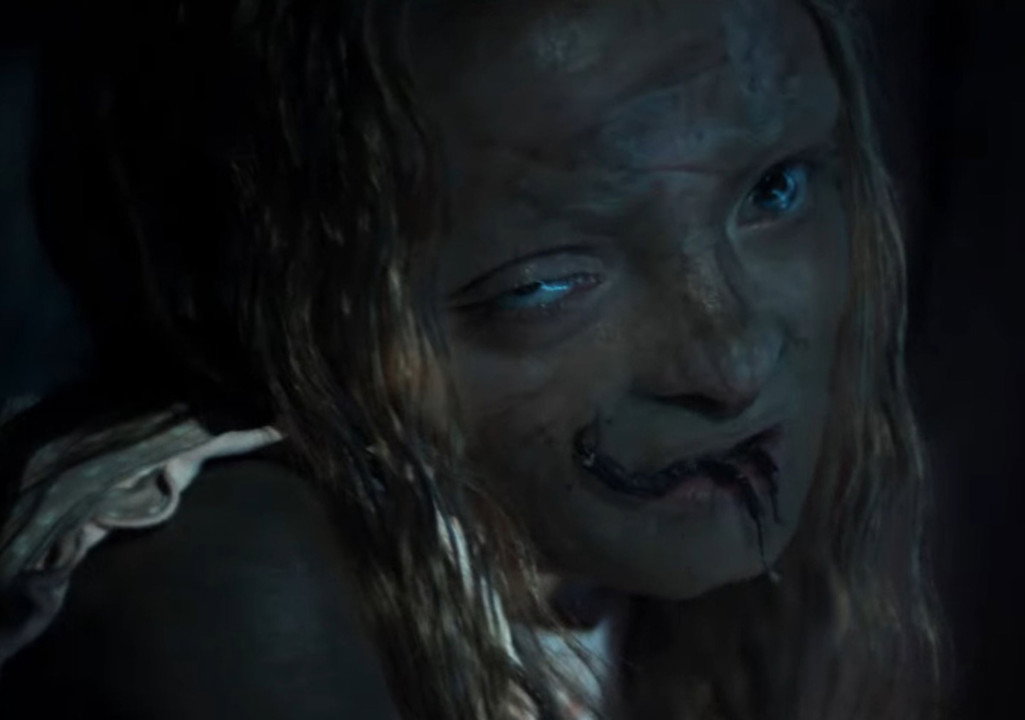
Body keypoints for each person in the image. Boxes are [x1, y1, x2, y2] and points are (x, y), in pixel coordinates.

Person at [0, 0, 942, 717]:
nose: (734, 363)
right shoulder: (232, 581)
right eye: (546, 285)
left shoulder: (682, 565)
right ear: (294, 302)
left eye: (776, 191)